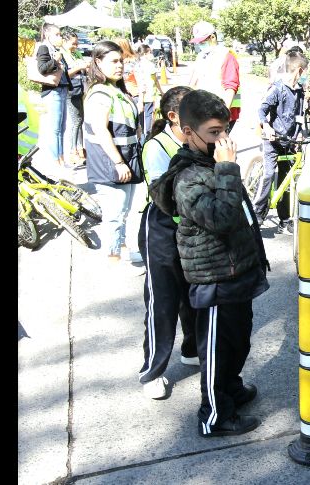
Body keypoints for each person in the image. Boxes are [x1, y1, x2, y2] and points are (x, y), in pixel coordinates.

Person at [148, 89, 270, 438]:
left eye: (226, 129)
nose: (224, 139)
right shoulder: (189, 177)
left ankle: (231, 390)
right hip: (214, 279)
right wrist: (229, 168)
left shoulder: (211, 164)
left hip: (237, 273)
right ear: (188, 132)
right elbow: (222, 218)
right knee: (217, 350)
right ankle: (214, 414)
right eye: (214, 132)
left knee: (239, 341)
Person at [137, 86, 198, 400]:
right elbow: (166, 196)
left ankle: (191, 349)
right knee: (162, 302)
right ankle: (153, 369)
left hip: (193, 230)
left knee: (193, 295)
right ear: (173, 116)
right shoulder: (156, 146)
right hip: (162, 231)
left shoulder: (199, 139)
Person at [83, 40, 143, 262]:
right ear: (98, 62)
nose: (120, 65)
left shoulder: (115, 89)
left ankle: (122, 250)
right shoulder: (100, 93)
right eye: (114, 61)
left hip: (125, 157)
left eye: (121, 61)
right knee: (114, 214)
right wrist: (118, 162)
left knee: (123, 211)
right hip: (111, 162)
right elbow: (100, 130)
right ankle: (112, 257)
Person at [255, 50, 308, 234]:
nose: (306, 76)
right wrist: (267, 127)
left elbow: (300, 116)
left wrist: (300, 133)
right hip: (273, 140)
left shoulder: (300, 92)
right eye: (306, 72)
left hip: (290, 142)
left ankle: (284, 219)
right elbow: (261, 111)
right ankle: (257, 214)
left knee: (287, 182)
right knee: (268, 175)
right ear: (299, 71)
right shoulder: (277, 89)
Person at [188, 21, 242, 131]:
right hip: (203, 111)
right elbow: (193, 82)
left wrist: (222, 116)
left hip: (220, 113)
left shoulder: (227, 56)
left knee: (213, 146)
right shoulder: (201, 56)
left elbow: (230, 88)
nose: (199, 45)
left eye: (202, 42)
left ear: (212, 37)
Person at [36, 23, 71, 168]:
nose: (60, 37)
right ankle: (56, 160)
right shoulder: (44, 48)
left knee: (62, 128)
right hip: (52, 91)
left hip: (61, 90)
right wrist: (55, 60)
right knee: (54, 129)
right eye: (57, 35)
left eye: (60, 34)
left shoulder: (56, 50)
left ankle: (61, 158)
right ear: (47, 35)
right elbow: (42, 68)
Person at [60, 30, 89, 166]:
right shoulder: (61, 55)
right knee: (75, 121)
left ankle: (80, 149)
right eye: (73, 44)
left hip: (80, 89)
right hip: (71, 91)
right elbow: (64, 75)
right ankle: (73, 152)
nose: (76, 46)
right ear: (65, 42)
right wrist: (78, 67)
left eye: (77, 43)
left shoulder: (75, 53)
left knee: (81, 120)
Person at [135, 44, 164, 143]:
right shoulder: (149, 65)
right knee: (148, 120)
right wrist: (161, 92)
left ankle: (141, 139)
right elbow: (155, 80)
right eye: (150, 52)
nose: (151, 54)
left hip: (138, 96)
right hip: (148, 96)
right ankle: (146, 140)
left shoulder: (137, 65)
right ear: (145, 53)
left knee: (140, 121)